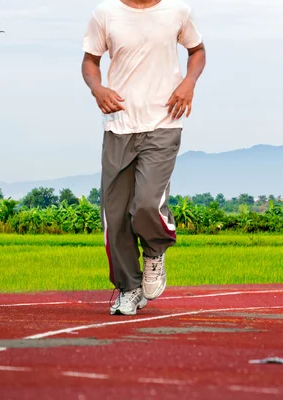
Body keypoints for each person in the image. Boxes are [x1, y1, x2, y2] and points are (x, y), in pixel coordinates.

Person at [81, 0, 206, 315]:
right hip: (119, 126)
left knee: (147, 203)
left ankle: (154, 251)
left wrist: (188, 83)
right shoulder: (105, 14)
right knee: (116, 215)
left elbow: (198, 51)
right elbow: (90, 61)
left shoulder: (178, 12)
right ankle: (129, 287)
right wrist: (97, 89)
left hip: (164, 122)